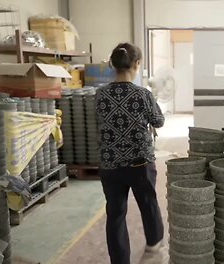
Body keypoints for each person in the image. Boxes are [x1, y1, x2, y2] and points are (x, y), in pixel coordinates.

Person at [96, 42, 167, 264]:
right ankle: (154, 250)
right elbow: (159, 121)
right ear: (136, 64)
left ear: (113, 65)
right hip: (140, 163)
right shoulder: (143, 95)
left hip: (110, 164)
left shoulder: (100, 94)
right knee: (148, 204)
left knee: (115, 215)